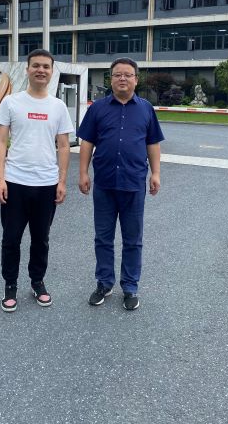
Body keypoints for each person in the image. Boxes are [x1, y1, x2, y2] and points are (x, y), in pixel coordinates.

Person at [78, 57, 164, 311]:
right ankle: (104, 283)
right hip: (104, 184)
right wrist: (83, 173)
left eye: (128, 74)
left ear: (136, 79)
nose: (122, 78)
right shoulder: (97, 108)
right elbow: (87, 142)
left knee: (133, 240)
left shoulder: (146, 109)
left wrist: (156, 173)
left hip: (134, 183)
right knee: (103, 238)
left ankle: (130, 287)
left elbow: (152, 143)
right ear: (111, 79)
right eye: (117, 75)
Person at [0, 49, 74, 312]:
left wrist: (62, 181)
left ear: (51, 71)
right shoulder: (11, 102)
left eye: (46, 66)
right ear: (27, 69)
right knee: (11, 239)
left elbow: (64, 146)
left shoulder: (58, 106)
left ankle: (37, 281)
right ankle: (10, 285)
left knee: (41, 239)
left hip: (46, 184)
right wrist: (0, 179)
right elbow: (0, 141)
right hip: (15, 183)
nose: (41, 70)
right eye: (36, 65)